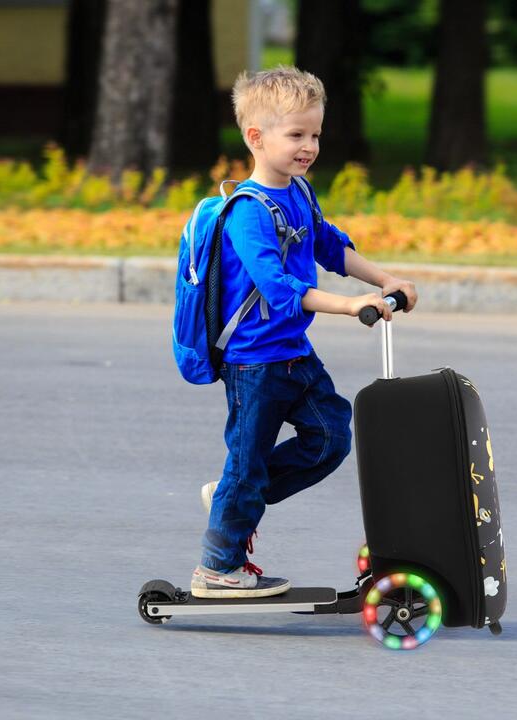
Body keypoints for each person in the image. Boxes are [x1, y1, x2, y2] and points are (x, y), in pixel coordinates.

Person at [191, 66, 418, 599]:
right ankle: (217, 569)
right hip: (255, 363)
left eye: (314, 134)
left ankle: (231, 496)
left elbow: (329, 246)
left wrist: (385, 279)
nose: (309, 146)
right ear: (256, 137)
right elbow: (280, 287)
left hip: (294, 353)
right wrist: (350, 305)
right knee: (247, 464)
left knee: (331, 437)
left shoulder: (300, 192)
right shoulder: (246, 212)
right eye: (296, 135)